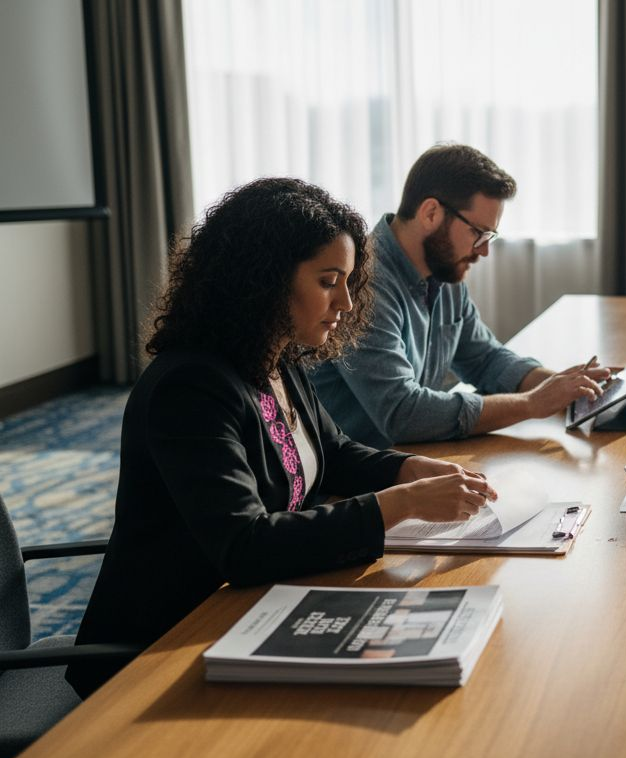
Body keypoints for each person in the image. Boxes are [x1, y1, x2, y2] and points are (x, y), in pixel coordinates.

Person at [67, 178, 498, 697]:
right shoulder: (191, 387)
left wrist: (408, 469)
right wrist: (399, 503)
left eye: (348, 280)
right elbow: (244, 546)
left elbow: (332, 453)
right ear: (264, 280)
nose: (344, 300)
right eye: (328, 280)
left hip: (248, 610)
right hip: (163, 648)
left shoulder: (278, 355)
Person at [309, 143, 612, 448]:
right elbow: (403, 414)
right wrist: (532, 404)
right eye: (478, 233)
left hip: (410, 460)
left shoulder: (443, 272)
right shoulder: (363, 283)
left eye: (489, 237)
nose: (484, 250)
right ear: (431, 213)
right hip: (352, 481)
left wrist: (569, 387)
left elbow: (485, 359)